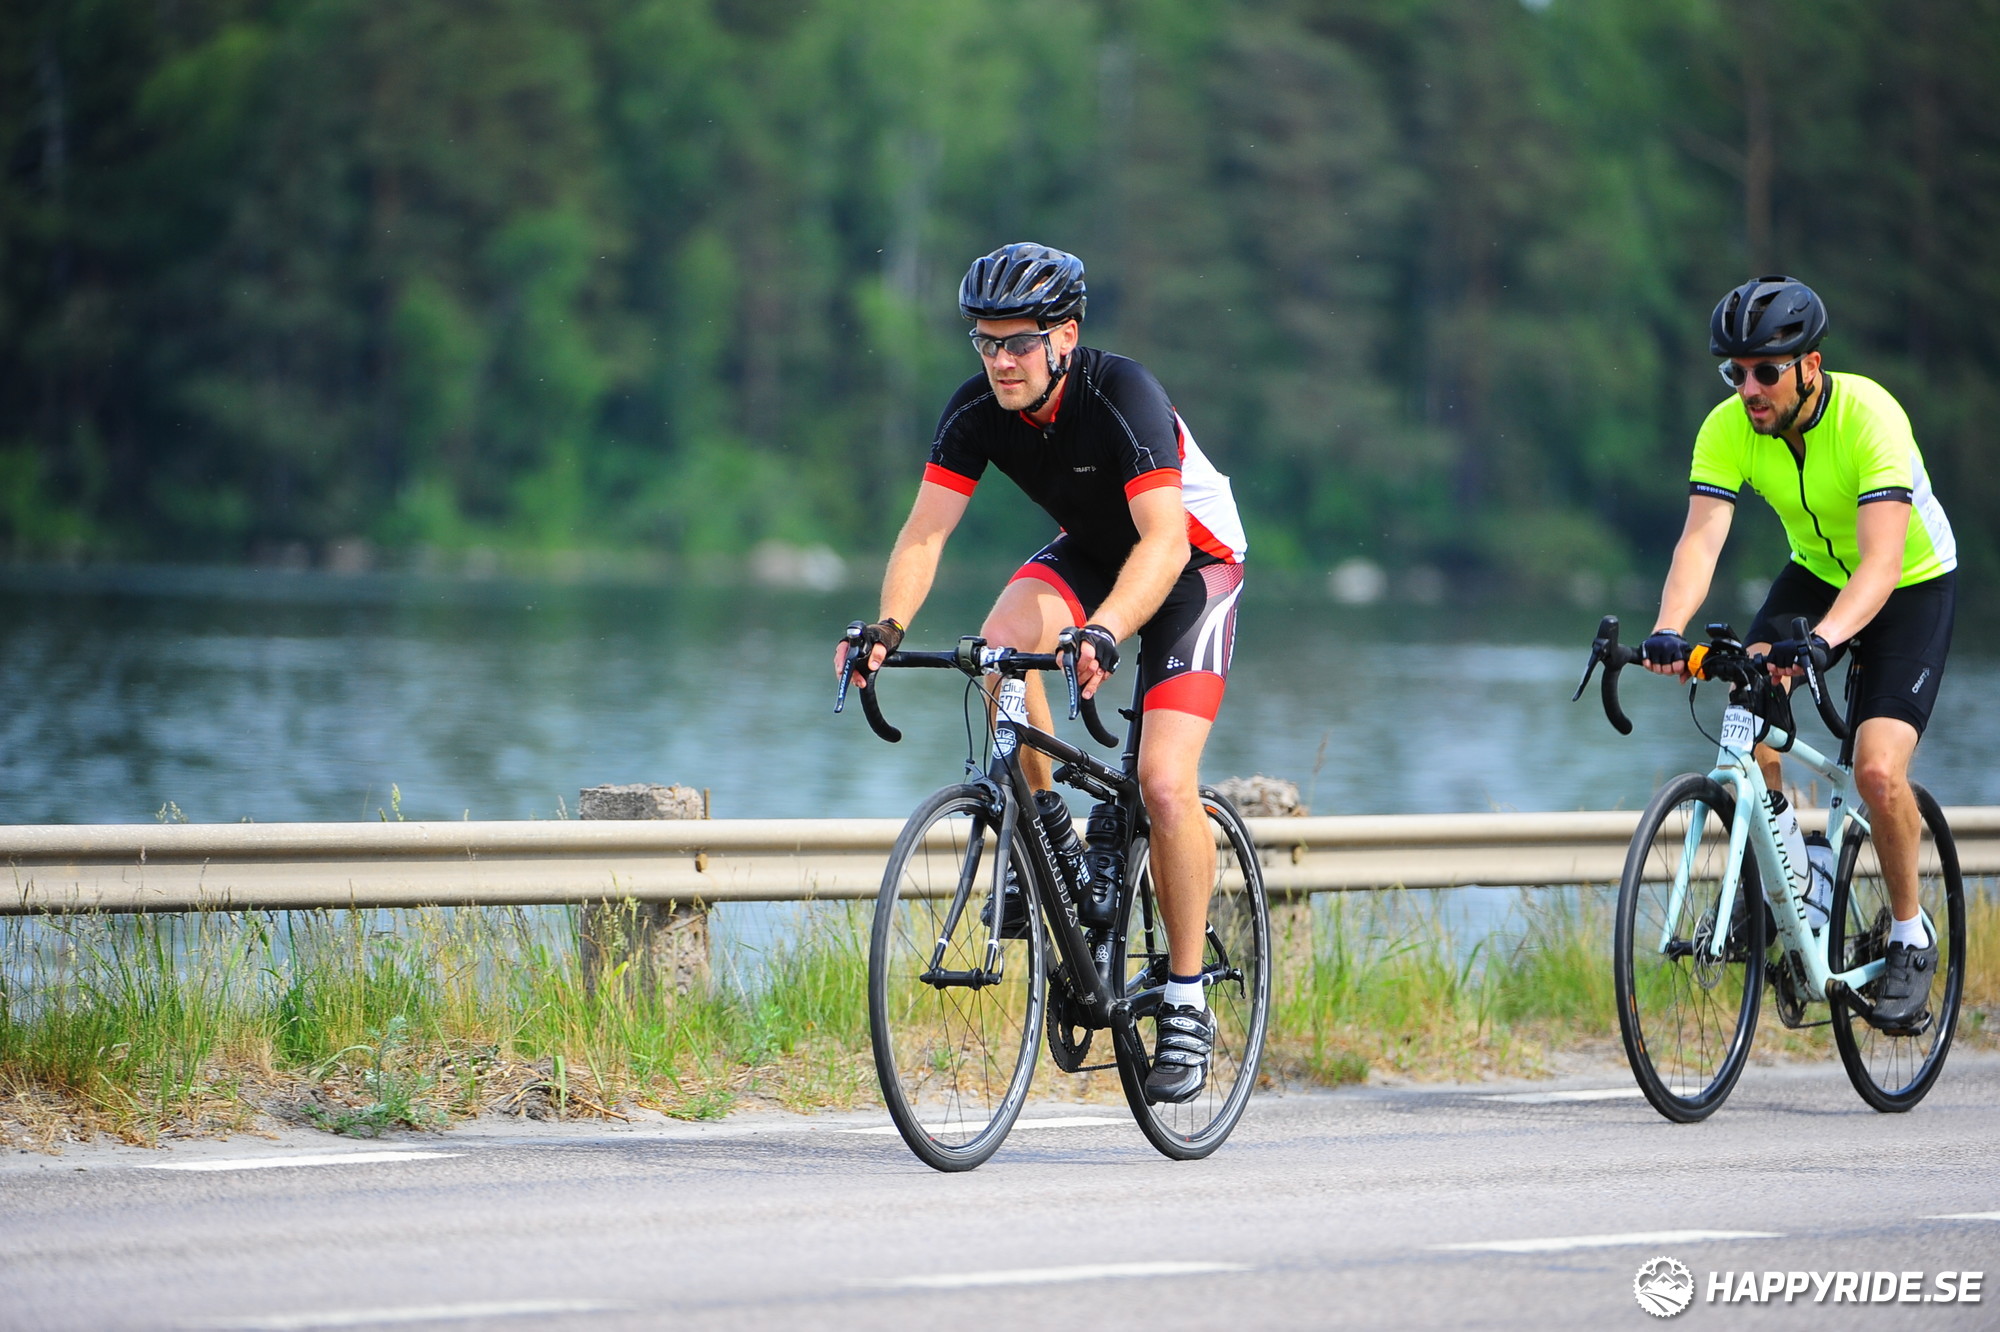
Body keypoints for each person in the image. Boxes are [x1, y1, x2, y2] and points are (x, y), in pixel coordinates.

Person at [836, 242, 1248, 1102]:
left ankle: (1184, 1001)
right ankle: (1052, 842)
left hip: (1190, 564)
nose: (1001, 361)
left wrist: (1105, 631)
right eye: (986, 342)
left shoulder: (1123, 393)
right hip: (1093, 553)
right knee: (997, 653)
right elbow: (924, 533)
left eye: (1020, 342)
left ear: (1065, 336)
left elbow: (1164, 542)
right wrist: (887, 627)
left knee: (1163, 782)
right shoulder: (976, 409)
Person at [1641, 275, 1956, 1029]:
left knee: (1876, 770)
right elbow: (1702, 538)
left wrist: (1821, 643)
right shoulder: (1727, 428)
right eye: (1736, 371)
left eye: (1766, 371)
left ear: (1810, 366)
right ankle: (1792, 886)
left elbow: (1882, 563)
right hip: (1815, 574)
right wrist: (1669, 627)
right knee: (1746, 710)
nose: (1748, 388)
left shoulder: (1870, 417)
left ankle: (1910, 936)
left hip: (1910, 583)